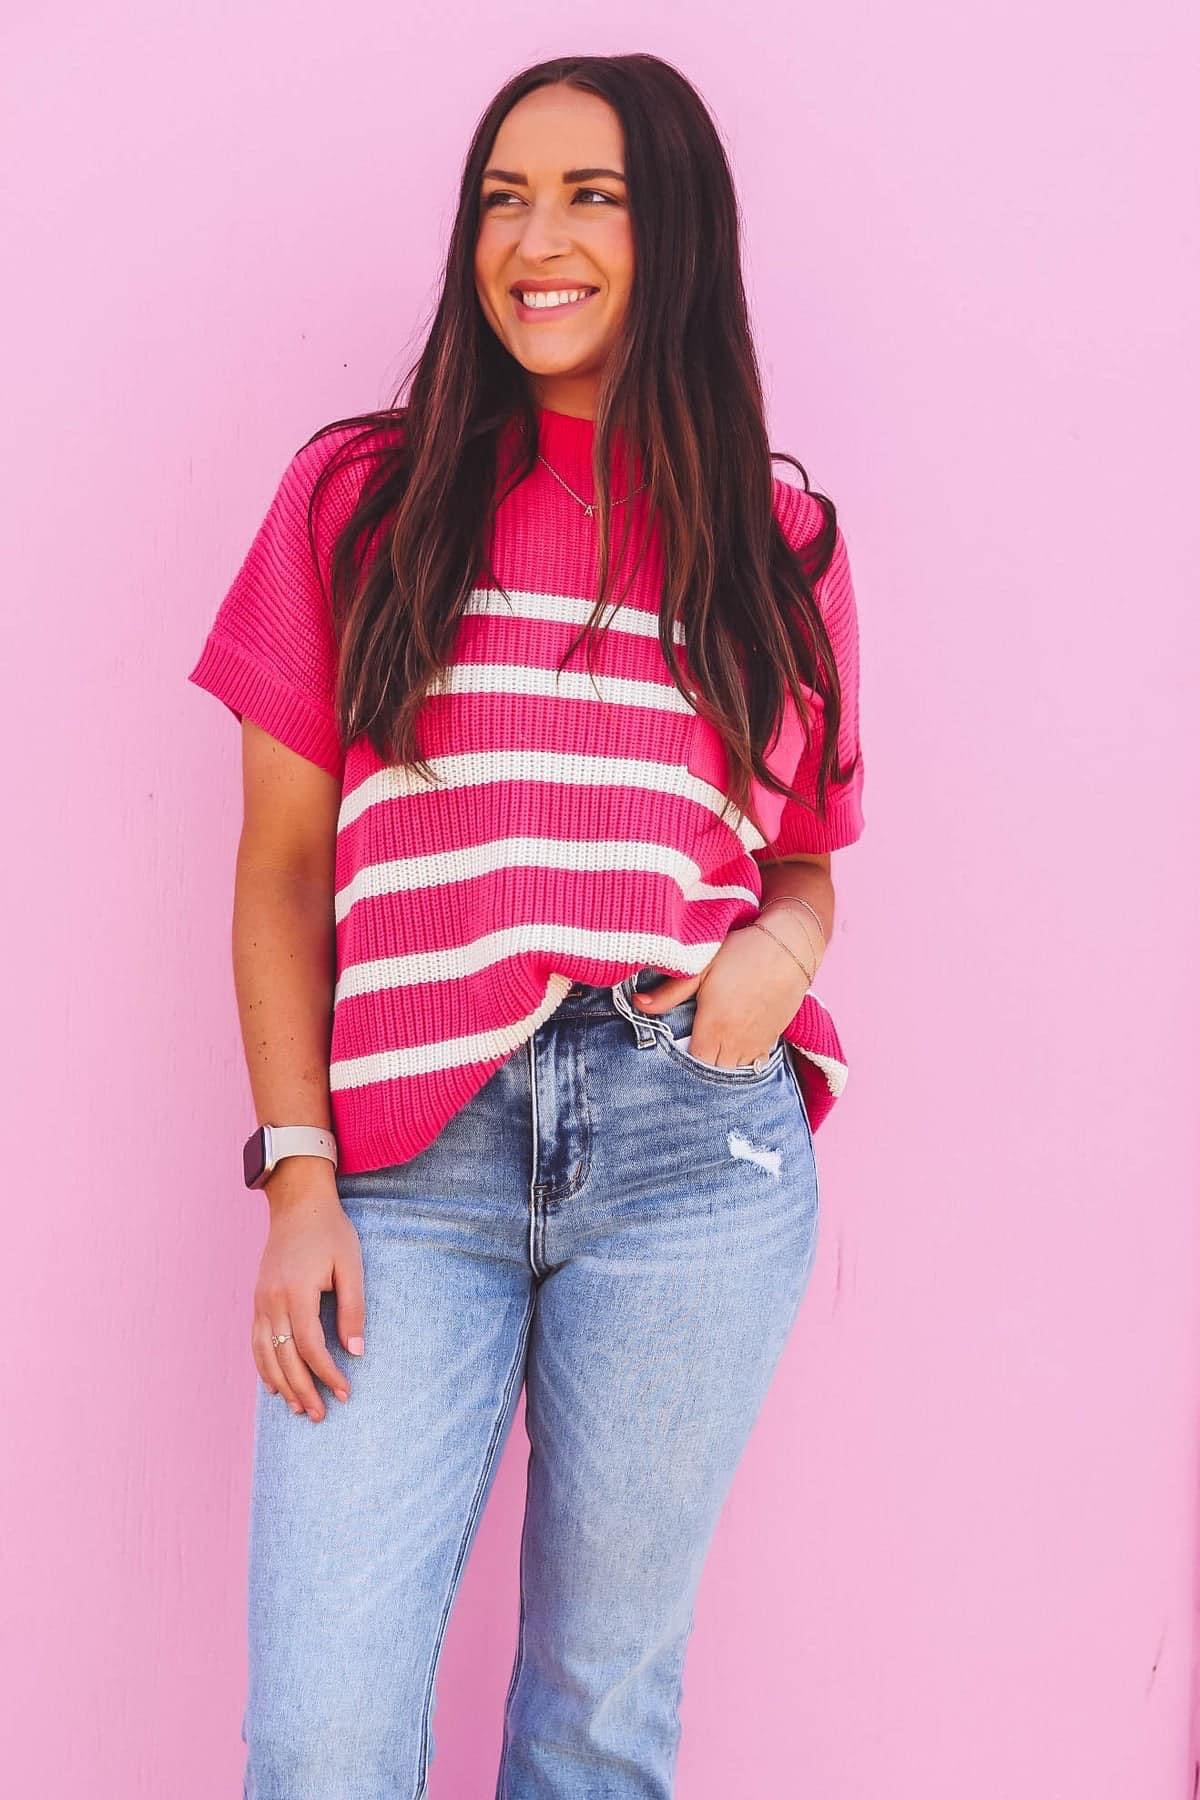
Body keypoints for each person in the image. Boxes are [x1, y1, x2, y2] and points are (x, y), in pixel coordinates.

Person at [187, 51, 866, 1800]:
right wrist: (299, 1168)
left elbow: (796, 858)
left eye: (590, 195)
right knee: (320, 1737)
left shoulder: (781, 541)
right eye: (503, 196)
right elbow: (280, 865)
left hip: (693, 1144)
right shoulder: (364, 497)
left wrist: (777, 964)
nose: (532, 238)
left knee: (594, 1725)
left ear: (680, 235)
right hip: (408, 1156)